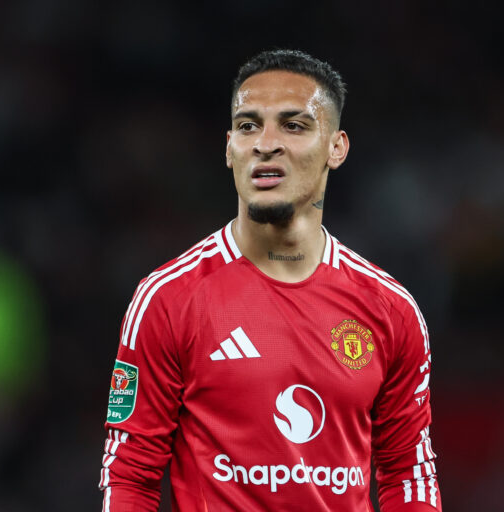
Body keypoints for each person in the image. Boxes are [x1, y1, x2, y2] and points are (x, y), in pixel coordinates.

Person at [98, 49, 441, 511]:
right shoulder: (168, 299)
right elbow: (130, 474)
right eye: (248, 126)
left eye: (293, 125)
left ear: (336, 148)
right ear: (228, 148)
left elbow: (408, 473)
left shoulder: (391, 310)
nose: (265, 143)